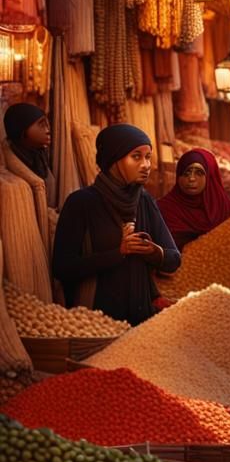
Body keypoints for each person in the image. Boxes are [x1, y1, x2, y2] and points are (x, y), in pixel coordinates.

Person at [52, 124, 180, 325]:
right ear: (114, 159)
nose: (146, 165)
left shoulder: (144, 201)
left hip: (142, 320)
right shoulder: (82, 203)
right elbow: (62, 268)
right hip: (96, 322)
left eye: (148, 157)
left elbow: (174, 259)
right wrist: (118, 252)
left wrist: (154, 252)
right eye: (136, 157)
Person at [157, 148, 230, 250]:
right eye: (186, 173)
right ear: (178, 176)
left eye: (199, 173)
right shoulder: (164, 208)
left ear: (210, 177)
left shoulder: (225, 208)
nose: (191, 178)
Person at [3, 102, 56, 208]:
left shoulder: (41, 156)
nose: (48, 130)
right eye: (41, 125)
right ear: (22, 131)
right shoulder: (10, 170)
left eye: (47, 123)